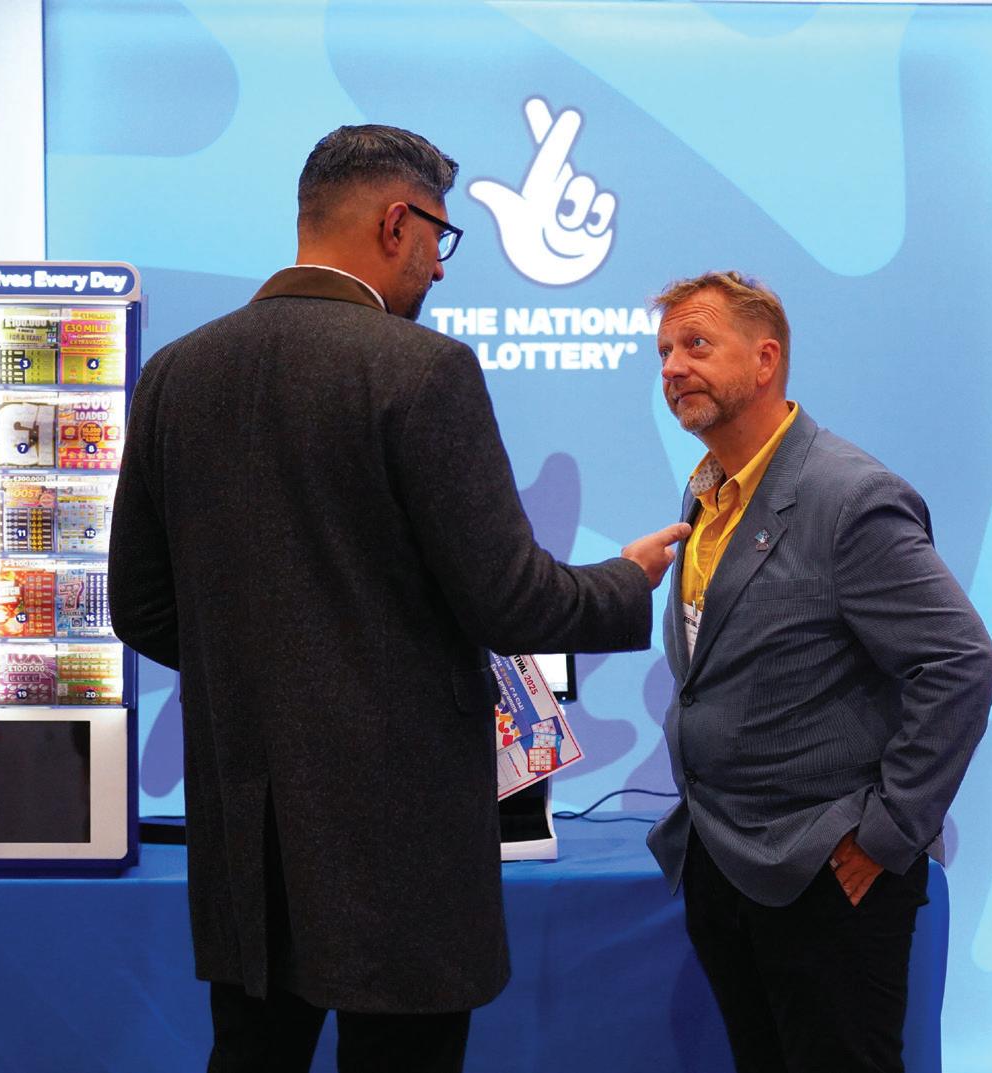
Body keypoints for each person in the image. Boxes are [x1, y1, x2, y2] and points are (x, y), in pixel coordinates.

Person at [108, 124, 688, 1073]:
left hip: (246, 828)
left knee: (253, 1056)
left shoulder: (177, 372)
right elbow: (510, 599)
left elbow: (139, 605)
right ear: (394, 223)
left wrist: (261, 677)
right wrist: (627, 579)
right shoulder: (421, 369)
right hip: (400, 832)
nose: (441, 266)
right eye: (439, 237)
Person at [644, 271, 992, 1073]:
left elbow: (959, 661)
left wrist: (888, 830)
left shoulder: (849, 496)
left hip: (827, 877)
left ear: (764, 359)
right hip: (723, 862)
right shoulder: (707, 493)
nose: (671, 366)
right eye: (663, 351)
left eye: (695, 344)